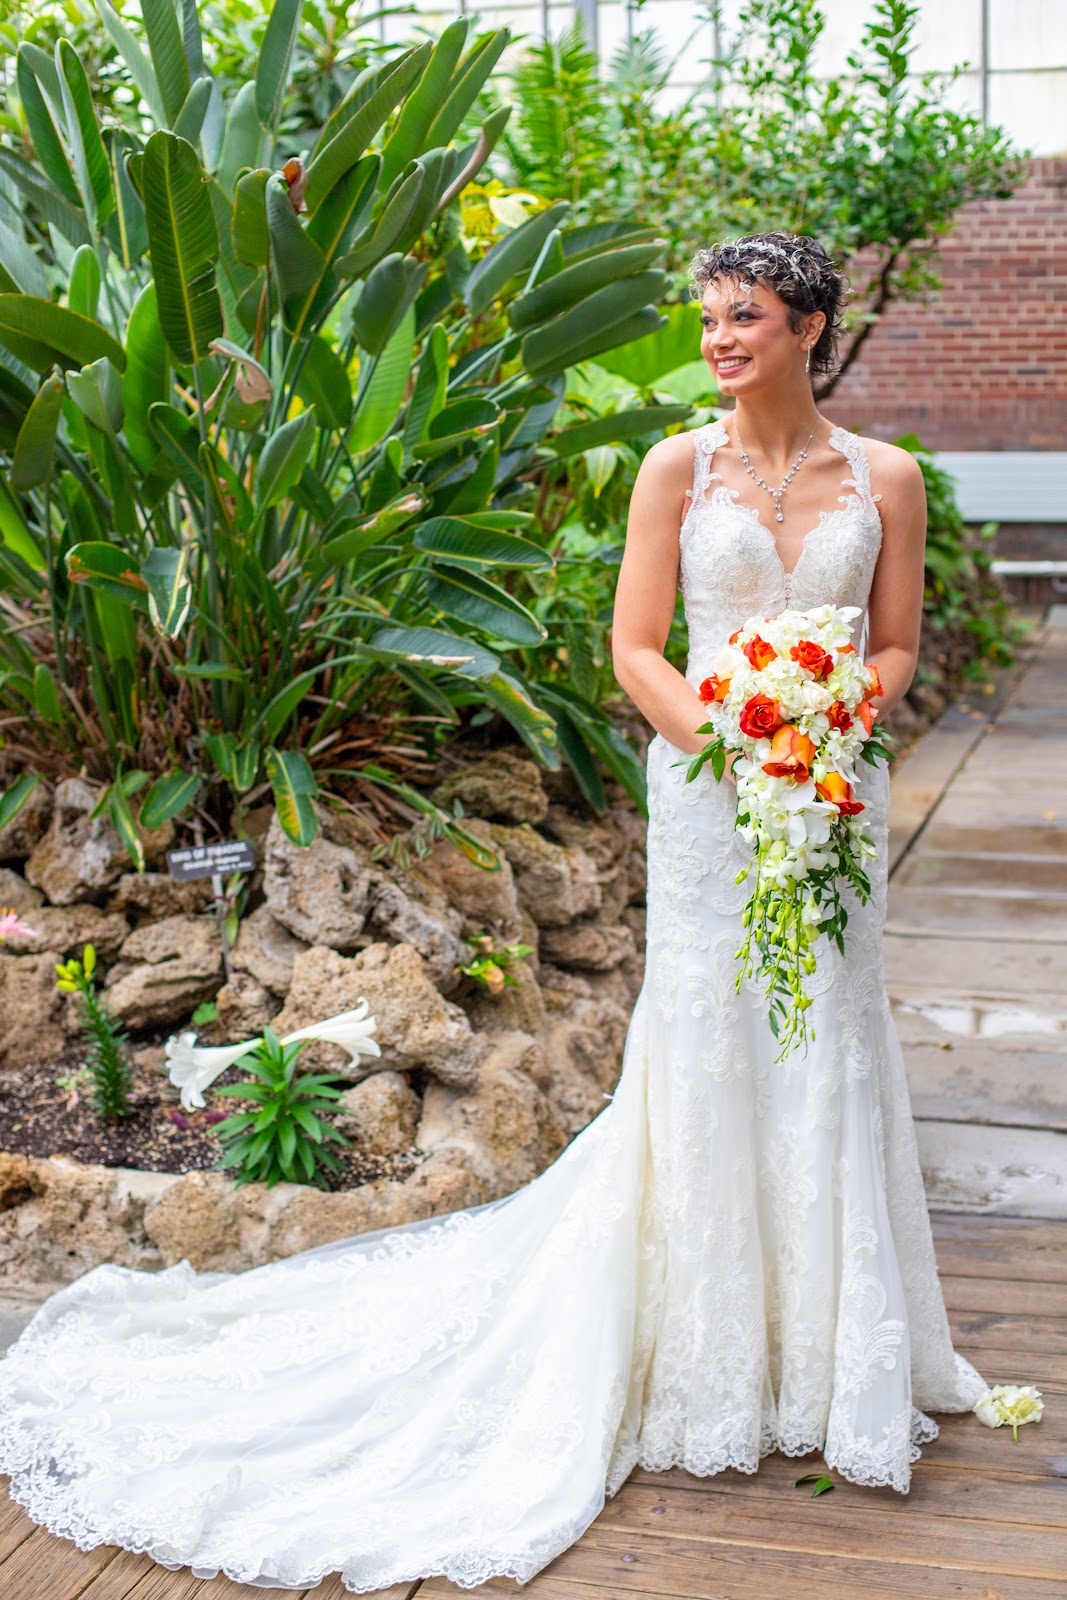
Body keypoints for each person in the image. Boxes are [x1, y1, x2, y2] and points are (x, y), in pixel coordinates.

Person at [0, 232, 988, 1593]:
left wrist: (827, 725)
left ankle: (828, 1356)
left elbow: (894, 644)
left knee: (828, 1031)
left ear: (810, 327)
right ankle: (704, 1349)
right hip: (712, 788)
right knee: (710, 1033)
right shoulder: (675, 468)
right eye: (707, 317)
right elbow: (635, 646)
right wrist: (734, 740)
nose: (718, 339)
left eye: (745, 317)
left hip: (831, 792)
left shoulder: (887, 478)